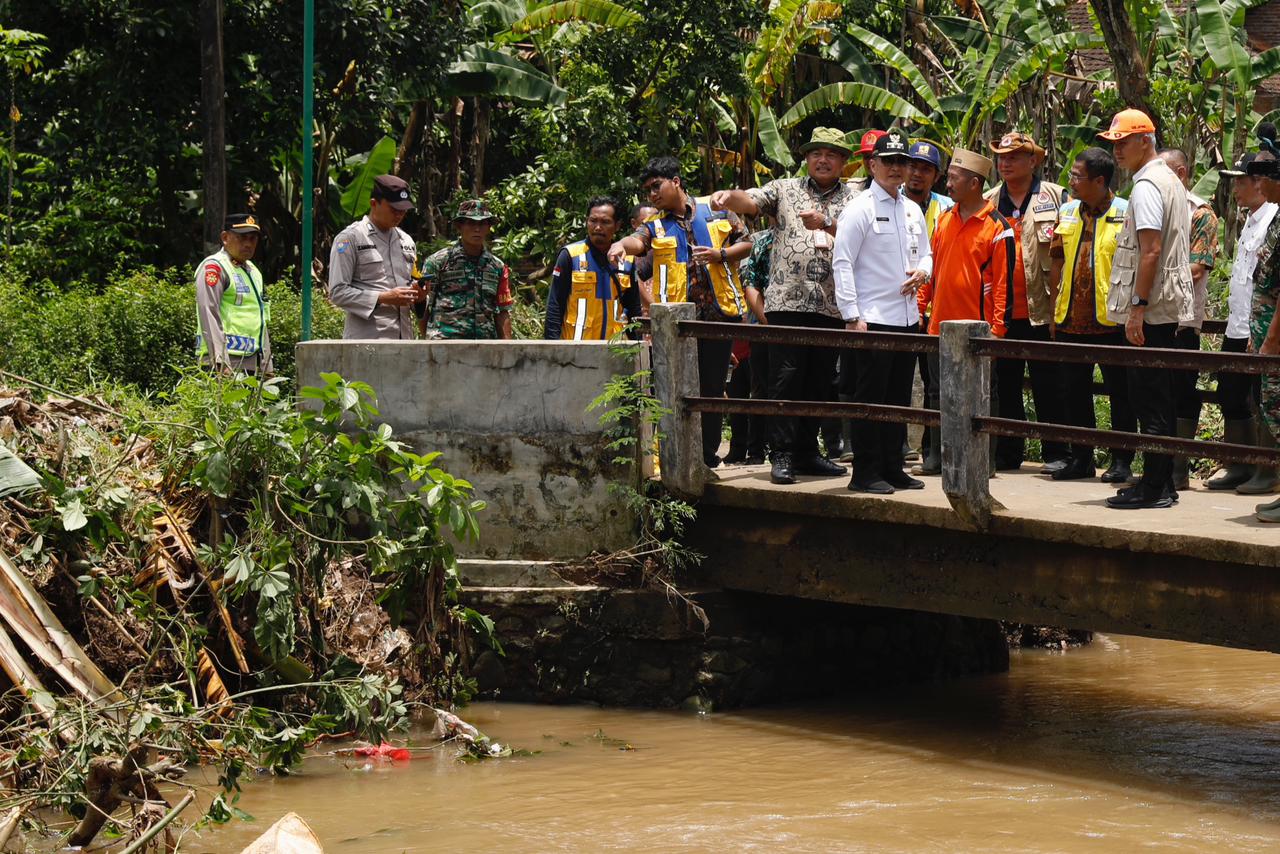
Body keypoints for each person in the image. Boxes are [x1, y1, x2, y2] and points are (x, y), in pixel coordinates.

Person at [708, 128, 857, 484]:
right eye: (816, 153)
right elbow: (752, 201)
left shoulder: (855, 197)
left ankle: (808, 452)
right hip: (787, 301)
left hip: (832, 304)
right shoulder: (785, 188)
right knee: (785, 380)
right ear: (806, 158)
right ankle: (783, 455)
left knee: (820, 383)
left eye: (832, 154)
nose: (823, 160)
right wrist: (730, 197)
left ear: (843, 162)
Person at [608, 156, 752, 468]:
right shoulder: (656, 225)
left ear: (675, 182)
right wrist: (621, 244)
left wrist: (720, 254)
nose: (652, 195)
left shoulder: (716, 210)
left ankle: (706, 458)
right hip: (678, 321)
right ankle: (678, 456)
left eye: (656, 186)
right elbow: (638, 242)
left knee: (712, 388)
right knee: (677, 386)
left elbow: (747, 244)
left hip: (718, 314)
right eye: (647, 190)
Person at [1097, 109, 1195, 509]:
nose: (1117, 150)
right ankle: (1162, 483)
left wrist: (1137, 307)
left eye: (1124, 142)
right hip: (1163, 307)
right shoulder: (1168, 180)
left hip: (1151, 310)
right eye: (1114, 143)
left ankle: (1154, 487)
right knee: (1159, 397)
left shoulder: (1147, 186)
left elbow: (1151, 250)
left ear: (1145, 141)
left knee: (1149, 398)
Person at [833, 130, 932, 493]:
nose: (895, 168)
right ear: (872, 165)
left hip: (906, 319)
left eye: (901, 161)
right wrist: (850, 315)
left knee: (898, 399)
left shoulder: (911, 209)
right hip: (871, 319)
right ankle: (865, 472)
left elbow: (927, 253)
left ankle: (893, 467)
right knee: (869, 400)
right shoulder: (859, 208)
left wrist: (924, 272)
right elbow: (842, 262)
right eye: (888, 161)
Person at [915, 148, 1015, 472]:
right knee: (936, 392)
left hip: (978, 329)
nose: (948, 183)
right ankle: (936, 456)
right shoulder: (944, 219)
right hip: (939, 324)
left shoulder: (998, 227)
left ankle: (983, 460)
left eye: (955, 178)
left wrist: (997, 331)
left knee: (982, 395)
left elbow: (1003, 284)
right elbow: (932, 267)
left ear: (974, 183)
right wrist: (920, 307)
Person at [1047, 147, 1134, 481]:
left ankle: (1122, 461)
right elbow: (1056, 262)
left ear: (1099, 180)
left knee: (1120, 395)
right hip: (1071, 319)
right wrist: (1056, 311)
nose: (1071, 181)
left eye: (1077, 176)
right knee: (1073, 394)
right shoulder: (1067, 211)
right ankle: (1081, 458)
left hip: (1112, 322)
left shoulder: (1127, 212)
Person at [987, 132, 1070, 472]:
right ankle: (1008, 453)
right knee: (1004, 387)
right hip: (1002, 314)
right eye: (1001, 157)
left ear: (1032, 161)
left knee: (1050, 384)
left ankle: (1057, 453)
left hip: (1043, 312)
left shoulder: (1057, 197)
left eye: (1014, 157)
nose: (1005, 163)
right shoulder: (988, 201)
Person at [1206, 154, 1275, 491]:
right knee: (1230, 393)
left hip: (1258, 328)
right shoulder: (1250, 219)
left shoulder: (1272, 220)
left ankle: (1267, 471)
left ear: (1261, 184)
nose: (1236, 188)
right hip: (1237, 325)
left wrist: (1257, 331)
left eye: (1243, 181)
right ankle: (1240, 463)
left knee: (1263, 399)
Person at [1158, 147, 1219, 489]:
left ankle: (1177, 467)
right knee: (1154, 391)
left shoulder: (1200, 214)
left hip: (1182, 319)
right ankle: (1159, 463)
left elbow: (1198, 268)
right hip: (1155, 317)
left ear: (1180, 174)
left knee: (1181, 391)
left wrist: (1152, 280)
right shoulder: (1155, 207)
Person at [905, 140, 954, 466]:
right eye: (912, 166)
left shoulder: (948, 208)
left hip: (937, 309)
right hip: (899, 304)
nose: (916, 174)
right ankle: (896, 450)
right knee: (896, 380)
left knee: (937, 385)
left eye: (925, 169)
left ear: (936, 176)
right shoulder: (889, 203)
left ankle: (934, 452)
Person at [328, 174, 422, 340]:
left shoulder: (407, 241)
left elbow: (413, 293)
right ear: (373, 203)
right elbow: (338, 292)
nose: (399, 214)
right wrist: (384, 298)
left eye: (403, 210)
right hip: (366, 340)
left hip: (404, 341)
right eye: (394, 209)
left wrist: (420, 296)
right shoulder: (350, 238)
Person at [544, 196, 641, 340]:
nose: (597, 227)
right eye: (593, 221)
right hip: (575, 350)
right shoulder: (570, 255)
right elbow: (555, 305)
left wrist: (637, 348)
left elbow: (633, 308)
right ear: (586, 221)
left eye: (605, 222)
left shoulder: (627, 260)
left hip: (613, 350)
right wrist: (552, 348)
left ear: (617, 225)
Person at [420, 199, 514, 340]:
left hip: (484, 348)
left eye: (482, 223)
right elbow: (424, 306)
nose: (477, 229)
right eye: (471, 223)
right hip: (445, 346)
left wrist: (507, 349)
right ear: (459, 226)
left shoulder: (497, 267)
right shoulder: (438, 262)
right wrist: (428, 344)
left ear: (489, 227)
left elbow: (502, 311)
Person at [1245, 150, 1280, 520]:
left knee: (1277, 408)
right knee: (1271, 409)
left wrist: (1271, 339)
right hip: (1269, 333)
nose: (1256, 186)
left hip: (1278, 340)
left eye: (1260, 179)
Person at [195, 213, 271, 374]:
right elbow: (208, 311)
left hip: (251, 362)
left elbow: (262, 319)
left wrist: (267, 366)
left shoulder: (253, 271)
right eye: (242, 238)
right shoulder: (216, 267)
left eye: (253, 239)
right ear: (225, 237)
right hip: (224, 363)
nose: (248, 244)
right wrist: (220, 360)